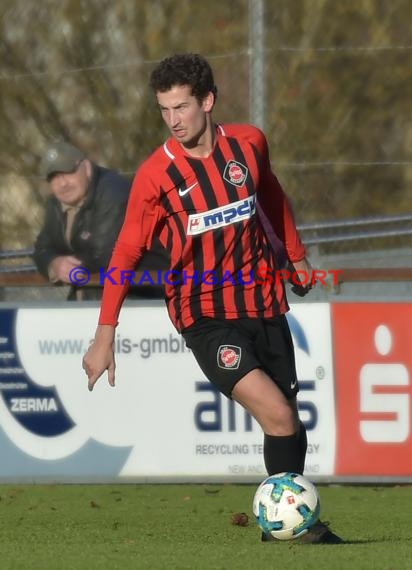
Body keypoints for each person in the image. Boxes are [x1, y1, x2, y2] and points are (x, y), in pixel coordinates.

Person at [82, 53, 343, 544]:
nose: (173, 120)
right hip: (202, 313)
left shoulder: (248, 144)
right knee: (279, 414)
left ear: (208, 100)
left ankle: (282, 524)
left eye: (181, 107)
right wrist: (105, 332)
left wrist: (298, 256)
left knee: (285, 416)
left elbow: (271, 195)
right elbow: (127, 250)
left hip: (263, 300)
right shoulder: (157, 176)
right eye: (164, 109)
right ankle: (298, 526)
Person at [33, 140, 168, 300]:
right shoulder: (55, 204)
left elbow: (107, 258)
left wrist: (66, 268)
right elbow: (42, 249)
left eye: (68, 172)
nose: (62, 183)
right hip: (91, 298)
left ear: (87, 167)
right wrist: (54, 264)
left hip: (142, 297)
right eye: (54, 178)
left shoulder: (115, 193)